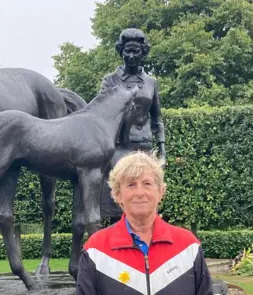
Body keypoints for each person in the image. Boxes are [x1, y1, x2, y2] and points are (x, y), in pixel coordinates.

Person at [76, 151, 213, 295]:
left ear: (160, 192)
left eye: (147, 183)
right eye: (131, 185)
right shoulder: (96, 250)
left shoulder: (188, 246)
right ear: (118, 195)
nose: (140, 192)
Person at [99, 28, 167, 221]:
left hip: (144, 146)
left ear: (143, 52)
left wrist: (162, 148)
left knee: (144, 198)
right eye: (127, 51)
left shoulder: (151, 82)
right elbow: (100, 115)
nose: (130, 55)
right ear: (121, 51)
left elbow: (157, 119)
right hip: (119, 148)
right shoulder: (110, 81)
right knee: (118, 200)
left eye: (135, 51)